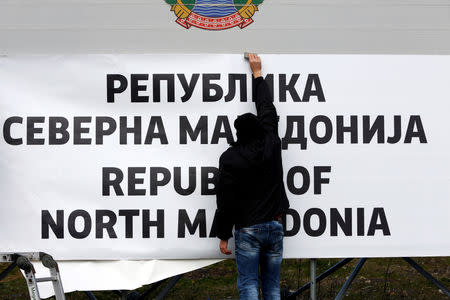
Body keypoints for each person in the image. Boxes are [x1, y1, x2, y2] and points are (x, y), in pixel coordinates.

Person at [211, 54, 290, 300]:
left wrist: (223, 234)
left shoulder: (230, 157)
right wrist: (257, 73)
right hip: (274, 226)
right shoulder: (271, 141)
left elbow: (225, 200)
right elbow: (266, 107)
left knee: (248, 286)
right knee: (273, 287)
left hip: (247, 229)